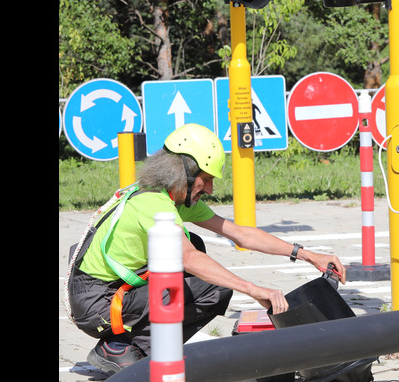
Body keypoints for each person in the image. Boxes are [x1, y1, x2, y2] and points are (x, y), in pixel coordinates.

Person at [66, 123, 346, 375]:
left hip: (111, 290)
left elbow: (241, 234)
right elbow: (189, 259)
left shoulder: (171, 197)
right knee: (205, 277)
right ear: (184, 172)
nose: (211, 188)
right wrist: (253, 289)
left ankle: (135, 348)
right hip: (97, 301)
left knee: (208, 273)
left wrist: (307, 254)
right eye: (207, 178)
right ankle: (120, 348)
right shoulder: (152, 204)